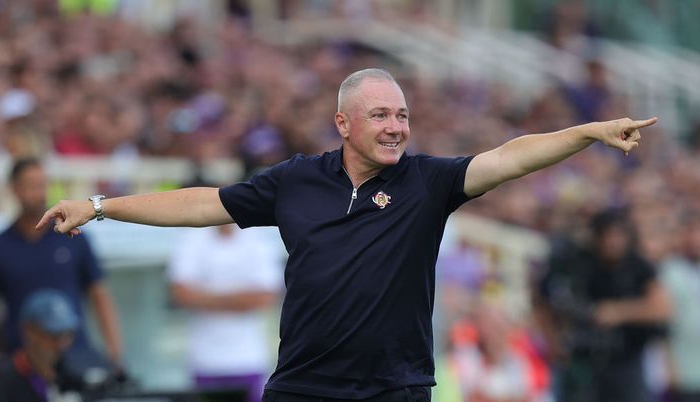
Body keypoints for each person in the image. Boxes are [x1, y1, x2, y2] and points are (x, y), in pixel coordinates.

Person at [37, 68, 657, 402]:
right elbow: (204, 204)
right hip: (304, 386)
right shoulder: (296, 181)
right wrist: (101, 205)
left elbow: (511, 156)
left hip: (396, 389)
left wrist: (587, 131)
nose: (396, 127)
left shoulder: (429, 182)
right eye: (381, 115)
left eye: (403, 115)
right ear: (344, 123)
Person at [0, 158, 122, 365]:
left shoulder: (72, 237)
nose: (39, 193)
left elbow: (100, 295)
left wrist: (115, 354)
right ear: (14, 189)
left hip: (74, 355)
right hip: (22, 361)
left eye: (42, 185)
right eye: (31, 186)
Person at [536, 209, 672, 402]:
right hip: (583, 359)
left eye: (618, 235)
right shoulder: (578, 263)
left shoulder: (638, 266)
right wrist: (553, 341)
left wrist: (617, 312)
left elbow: (662, 308)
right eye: (607, 235)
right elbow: (544, 299)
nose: (612, 242)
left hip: (626, 360)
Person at [167, 224, 282, 402]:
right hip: (204, 360)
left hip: (248, 359)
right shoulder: (192, 237)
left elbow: (265, 297)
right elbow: (181, 294)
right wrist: (241, 299)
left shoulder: (256, 238)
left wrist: (204, 297)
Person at [0, 289, 80, 401]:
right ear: (29, 332)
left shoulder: (74, 372)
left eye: (69, 334)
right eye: (53, 335)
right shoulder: (4, 377)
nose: (62, 344)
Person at [661, 213, 700, 402]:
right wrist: (669, 365)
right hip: (684, 370)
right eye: (692, 231)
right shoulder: (669, 271)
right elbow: (664, 323)